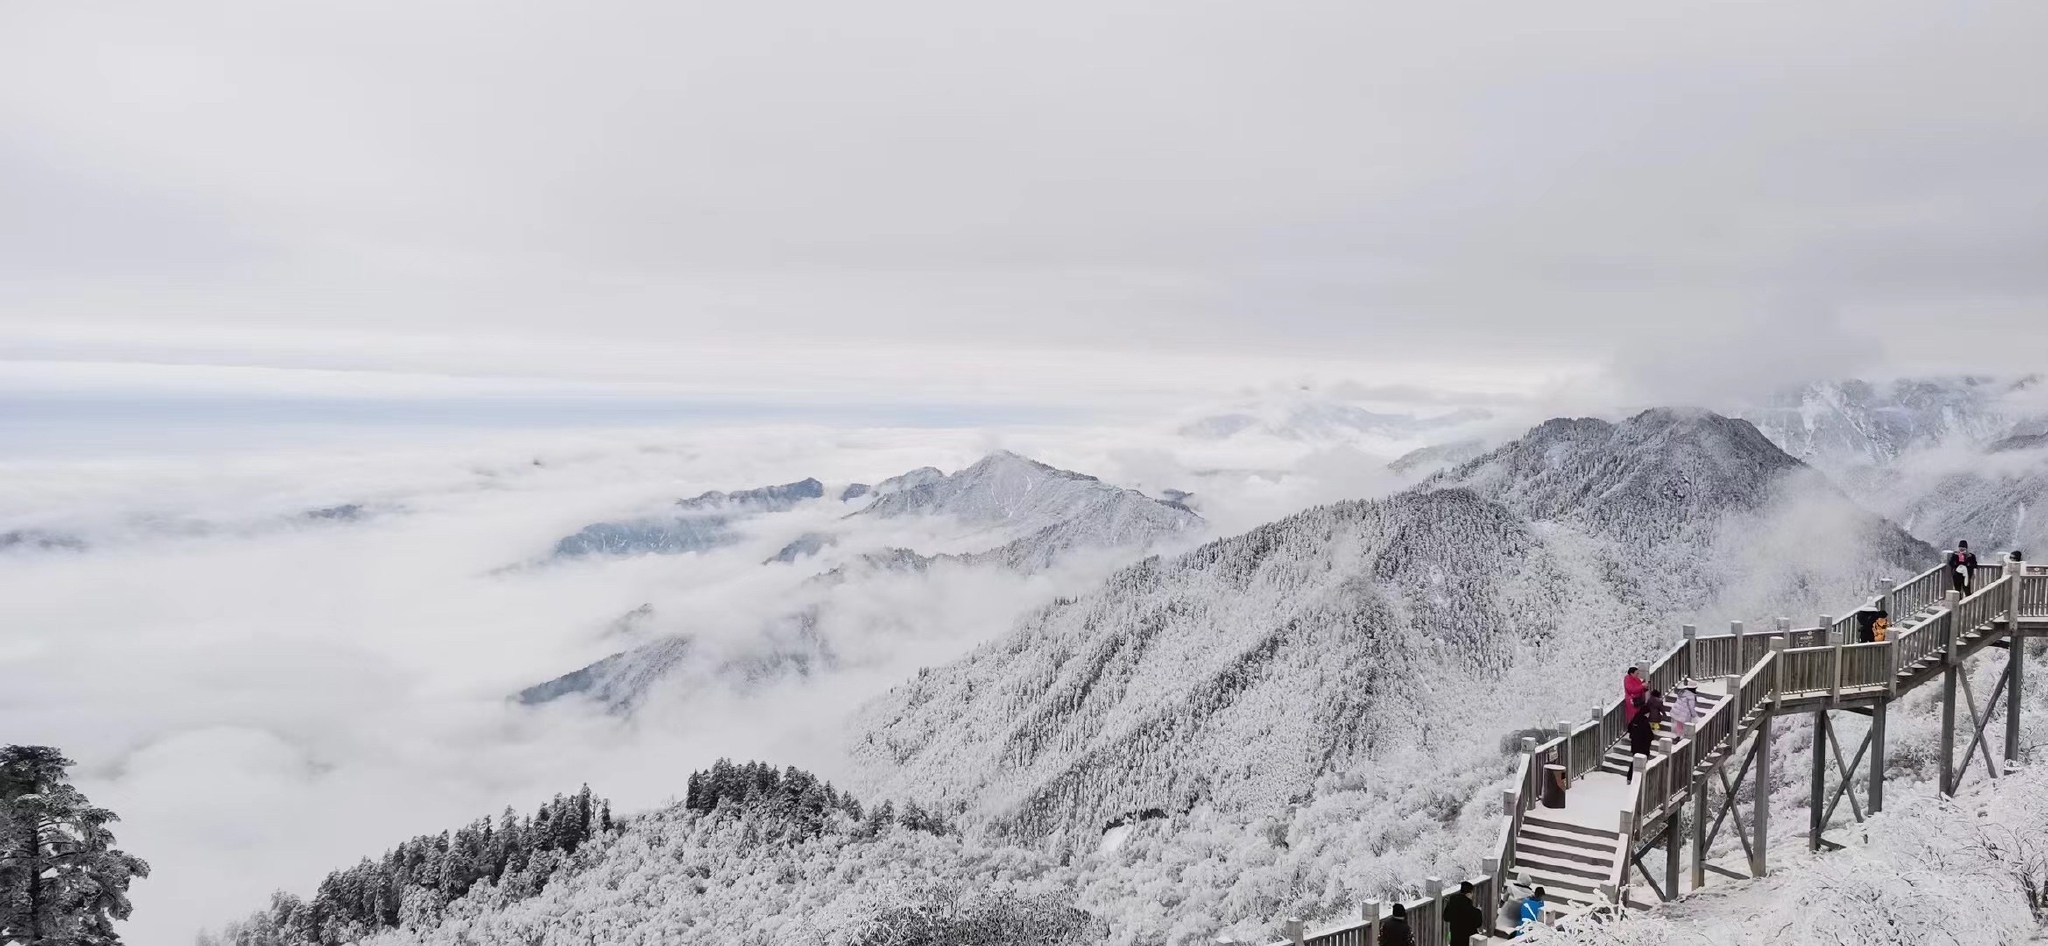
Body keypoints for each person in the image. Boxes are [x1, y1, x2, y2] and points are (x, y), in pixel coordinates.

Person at [1444, 880, 1484, 945]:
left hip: (1455, 940)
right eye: (1472, 893)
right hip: (1466, 941)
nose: (1472, 895)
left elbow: (1446, 917)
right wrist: (1479, 912)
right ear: (1468, 894)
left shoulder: (1452, 903)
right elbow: (1478, 924)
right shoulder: (1471, 910)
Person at [1627, 694, 1654, 782]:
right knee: (1642, 762)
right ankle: (1639, 778)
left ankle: (1629, 777)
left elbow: (1629, 728)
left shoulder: (1636, 718)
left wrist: (1633, 735)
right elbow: (1650, 735)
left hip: (1635, 744)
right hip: (1643, 746)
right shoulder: (1645, 722)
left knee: (1634, 760)